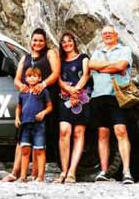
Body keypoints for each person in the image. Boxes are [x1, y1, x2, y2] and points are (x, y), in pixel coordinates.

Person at [1, 28, 60, 182]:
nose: (37, 43)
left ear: (45, 41)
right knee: (22, 139)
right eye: (35, 40)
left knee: (39, 138)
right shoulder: (25, 58)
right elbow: (17, 79)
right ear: (31, 41)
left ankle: (35, 174)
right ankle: (15, 172)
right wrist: (20, 85)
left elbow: (56, 73)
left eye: (41, 40)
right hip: (27, 100)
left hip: (44, 98)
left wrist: (43, 83)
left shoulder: (50, 53)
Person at [88, 25, 135, 184]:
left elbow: (121, 66)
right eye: (104, 33)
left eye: (110, 33)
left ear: (116, 35)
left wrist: (102, 68)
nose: (107, 35)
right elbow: (91, 66)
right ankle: (103, 171)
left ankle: (126, 171)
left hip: (117, 96)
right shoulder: (97, 52)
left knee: (121, 131)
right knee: (103, 134)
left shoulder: (125, 50)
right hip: (98, 96)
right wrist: (112, 67)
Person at [55, 33, 91, 183]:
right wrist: (69, 91)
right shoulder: (60, 61)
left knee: (78, 132)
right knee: (64, 131)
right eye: (63, 42)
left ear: (74, 42)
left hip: (82, 98)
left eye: (69, 41)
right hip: (65, 99)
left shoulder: (83, 57)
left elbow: (86, 75)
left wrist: (76, 91)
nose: (66, 44)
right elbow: (58, 77)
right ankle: (63, 171)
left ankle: (72, 171)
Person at [14, 67, 52, 182]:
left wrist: (43, 112)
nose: (31, 78)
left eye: (34, 76)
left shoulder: (42, 91)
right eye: (29, 76)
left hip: (38, 125)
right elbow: (19, 106)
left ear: (40, 78)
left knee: (40, 150)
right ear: (25, 78)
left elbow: (50, 106)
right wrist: (17, 118)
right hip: (25, 124)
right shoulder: (23, 92)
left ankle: (40, 176)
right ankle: (23, 176)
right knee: (25, 150)